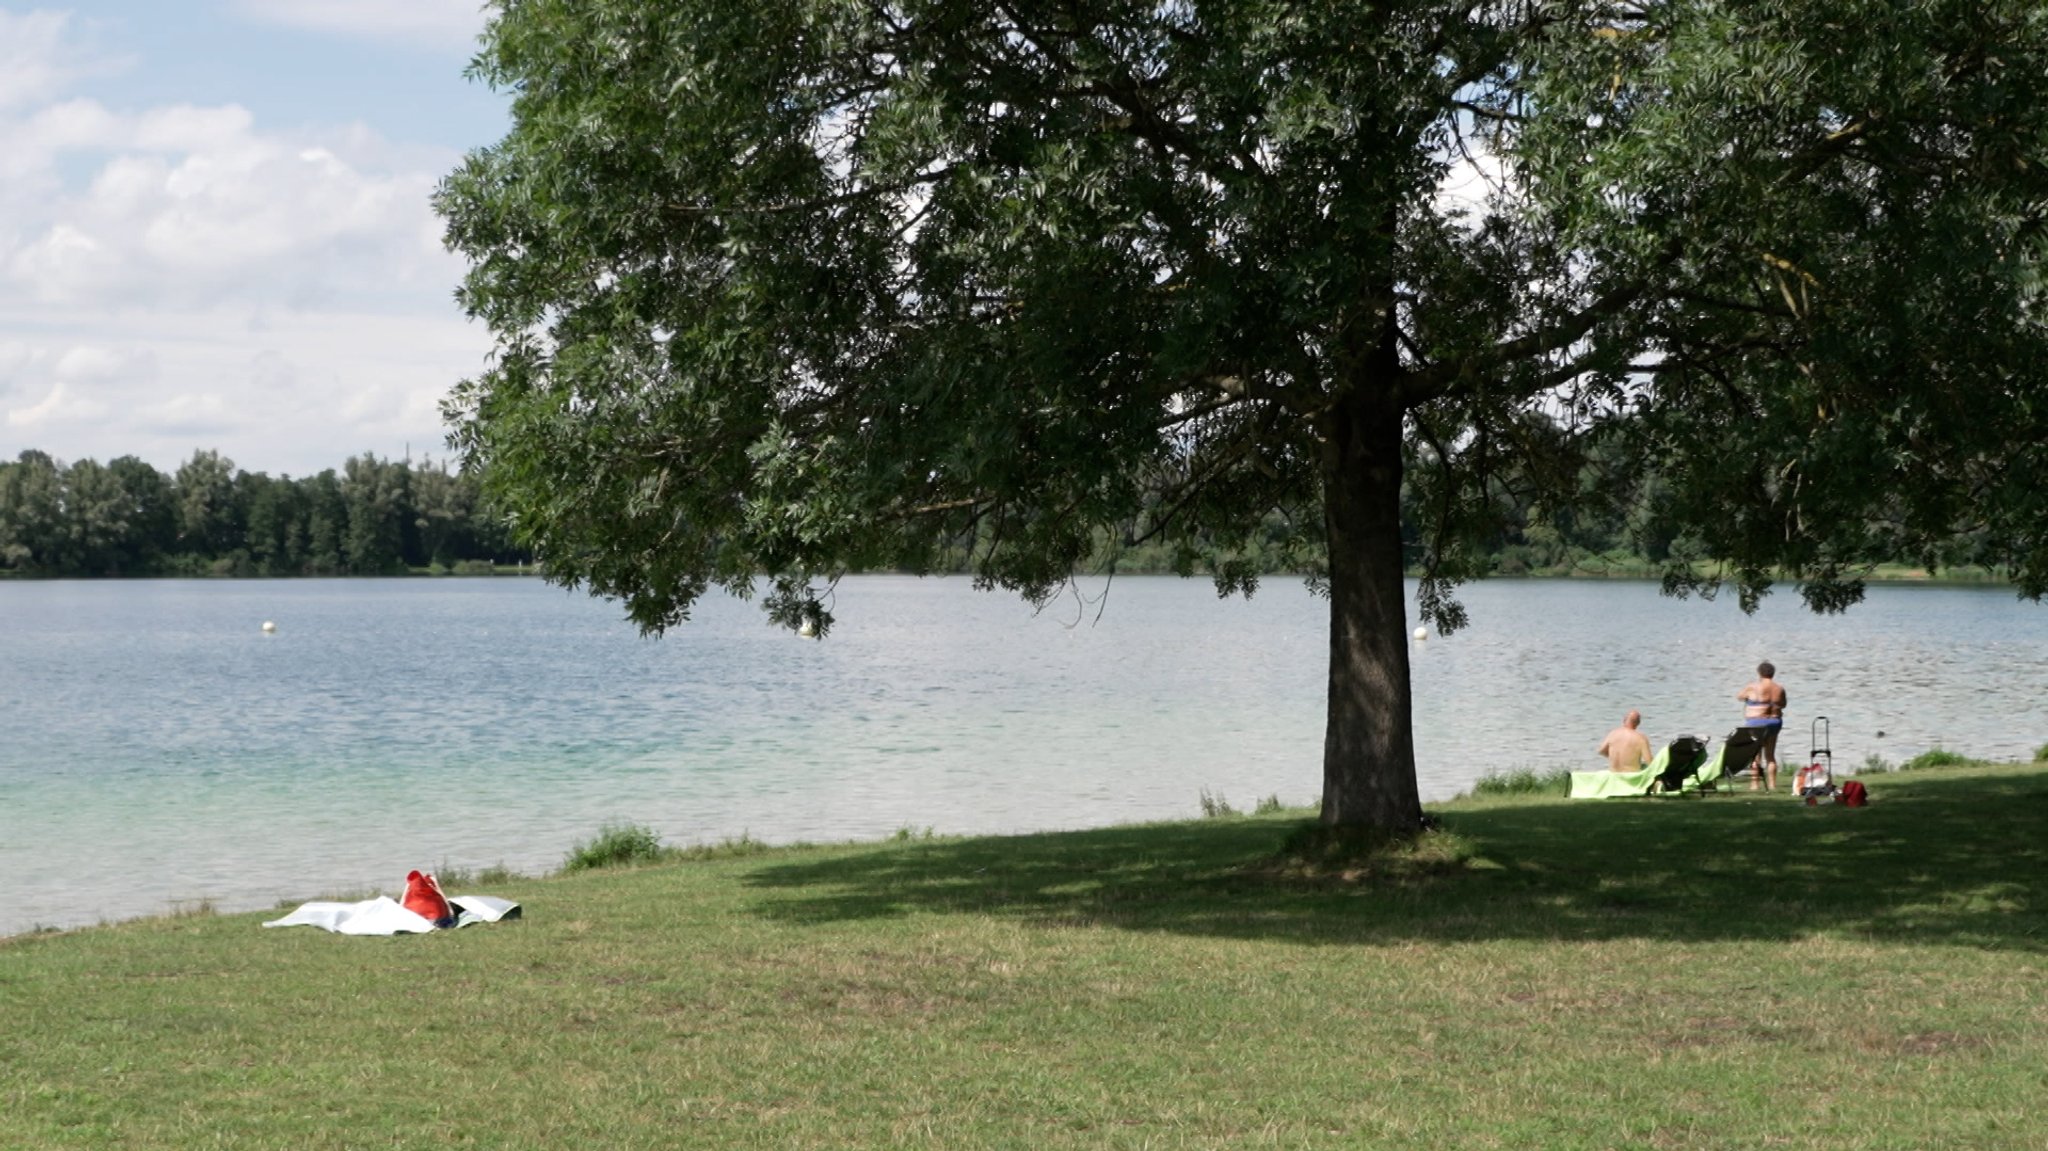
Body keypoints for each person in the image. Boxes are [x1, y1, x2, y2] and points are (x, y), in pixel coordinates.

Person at [1736, 661, 1788, 791]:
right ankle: (1772, 785)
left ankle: (1755, 784)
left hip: (1756, 723)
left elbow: (1739, 696)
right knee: (1770, 755)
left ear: (1759, 673)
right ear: (1773, 673)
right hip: (1774, 722)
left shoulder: (1753, 687)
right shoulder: (1779, 688)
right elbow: (1783, 704)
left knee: (1755, 755)